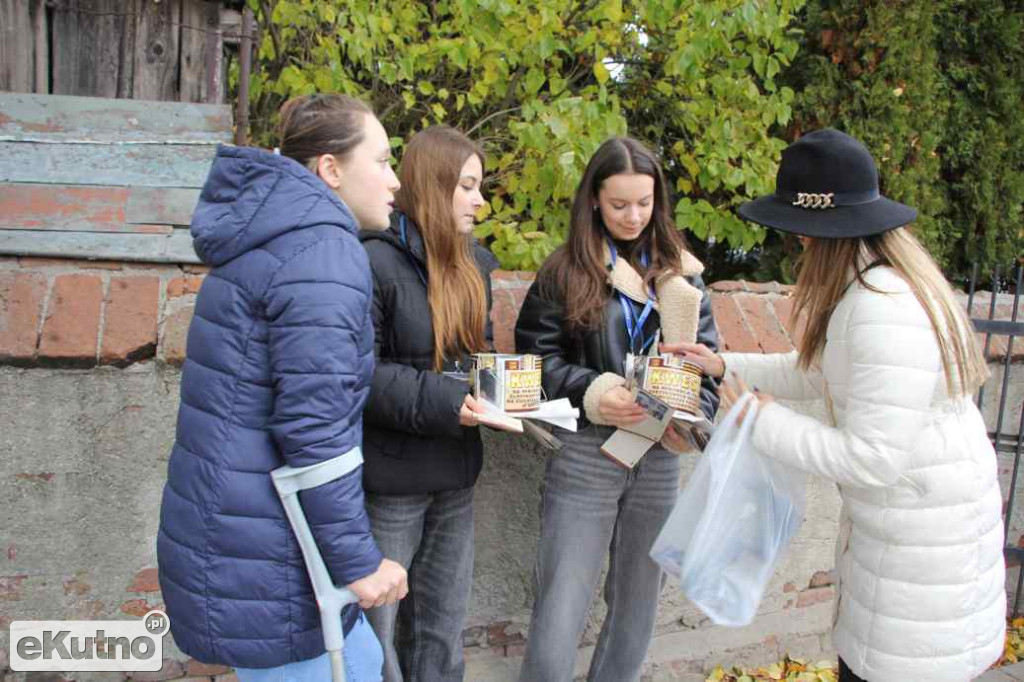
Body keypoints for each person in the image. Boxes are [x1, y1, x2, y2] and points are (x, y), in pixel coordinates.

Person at [666, 129, 1005, 682]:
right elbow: (818, 370)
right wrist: (723, 367)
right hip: (911, 539)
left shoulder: (879, 309)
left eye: (798, 235)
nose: (796, 247)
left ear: (820, 233)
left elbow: (871, 458)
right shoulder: (872, 287)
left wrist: (755, 417)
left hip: (919, 556)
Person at [157, 94, 409, 682]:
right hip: (272, 556)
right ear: (330, 169)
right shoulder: (321, 252)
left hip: (241, 537)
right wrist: (360, 565)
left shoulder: (272, 238)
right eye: (382, 160)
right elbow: (315, 431)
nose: (395, 181)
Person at [514, 136, 720, 682]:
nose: (633, 217)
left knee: (637, 606)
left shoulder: (684, 277)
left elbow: (709, 365)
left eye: (645, 204)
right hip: (587, 452)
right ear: (593, 202)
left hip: (659, 457)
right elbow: (532, 364)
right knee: (563, 601)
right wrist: (595, 391)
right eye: (619, 204)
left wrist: (691, 414)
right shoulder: (565, 271)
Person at [358, 125, 506, 682]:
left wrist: (508, 394)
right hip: (392, 483)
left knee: (442, 631)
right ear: (433, 183)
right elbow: (360, 375)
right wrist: (451, 397)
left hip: (456, 474)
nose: (480, 200)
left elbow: (475, 357)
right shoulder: (373, 259)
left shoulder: (475, 265)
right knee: (378, 635)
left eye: (479, 186)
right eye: (467, 186)